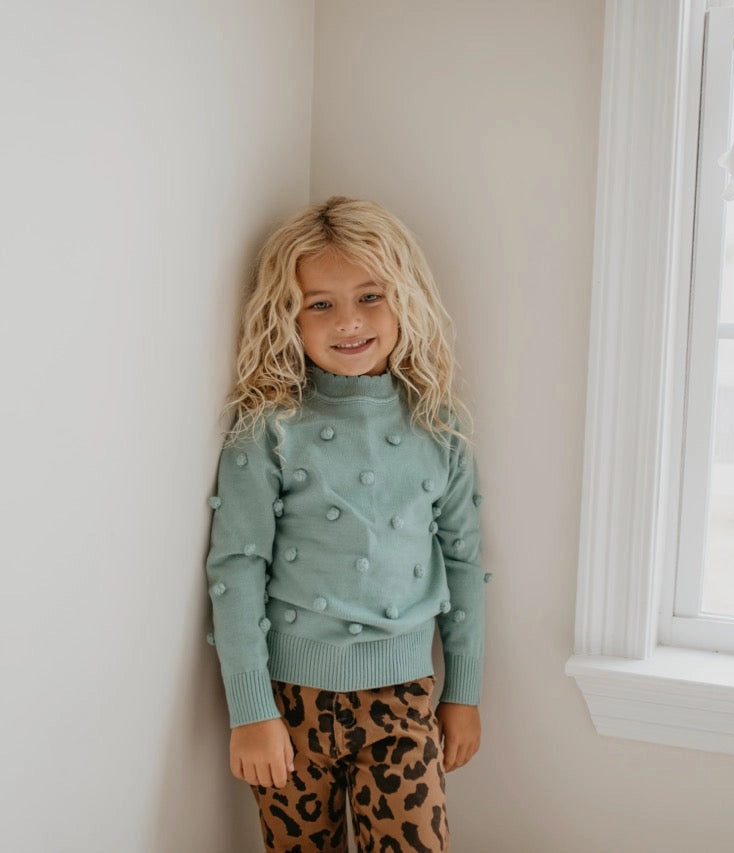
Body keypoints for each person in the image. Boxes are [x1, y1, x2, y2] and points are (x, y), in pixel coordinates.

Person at [204, 196, 487, 853]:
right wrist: (251, 709)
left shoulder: (439, 429)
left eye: (369, 297)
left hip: (403, 700)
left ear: (404, 300)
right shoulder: (269, 429)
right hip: (290, 702)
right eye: (320, 304)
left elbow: (466, 564)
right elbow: (236, 569)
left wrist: (464, 692)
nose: (349, 321)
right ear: (287, 315)